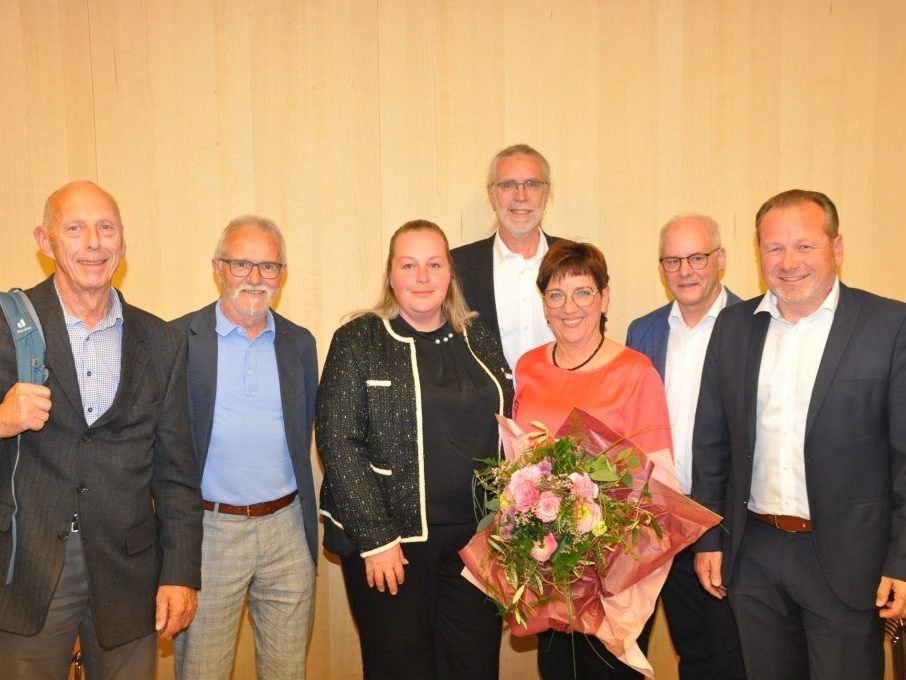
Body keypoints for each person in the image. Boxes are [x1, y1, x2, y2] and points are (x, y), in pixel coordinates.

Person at [692, 189, 906, 679]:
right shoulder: (732, 327)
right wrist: (708, 537)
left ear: (837, 248)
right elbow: (711, 445)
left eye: (804, 246)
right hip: (754, 554)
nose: (789, 262)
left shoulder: (890, 326)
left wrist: (903, 560)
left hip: (851, 559)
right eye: (774, 248)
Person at [0, 180, 202, 678]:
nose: (93, 243)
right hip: (28, 567)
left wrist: (180, 573)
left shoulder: (163, 341)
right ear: (45, 242)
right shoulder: (7, 326)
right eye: (75, 229)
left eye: (106, 228)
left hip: (129, 571)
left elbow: (176, 472)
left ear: (122, 241)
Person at [316, 219, 513, 680]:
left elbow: (507, 426)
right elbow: (338, 441)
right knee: (400, 667)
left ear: (450, 273)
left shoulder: (478, 335)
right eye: (408, 265)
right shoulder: (359, 339)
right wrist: (376, 539)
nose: (422, 278)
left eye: (434, 265)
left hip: (476, 542)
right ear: (391, 274)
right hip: (393, 544)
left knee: (473, 665)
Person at [513, 239, 672, 679]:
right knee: (557, 670)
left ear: (605, 297)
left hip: (615, 569)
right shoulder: (528, 367)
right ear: (544, 303)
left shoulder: (635, 372)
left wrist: (602, 551)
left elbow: (659, 481)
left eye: (583, 292)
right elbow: (517, 461)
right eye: (556, 294)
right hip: (548, 563)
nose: (569, 307)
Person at [171, 216, 318, 679]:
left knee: (287, 670)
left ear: (282, 274)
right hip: (210, 533)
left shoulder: (300, 343)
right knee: (203, 670)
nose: (255, 278)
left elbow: (304, 430)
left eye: (268, 266)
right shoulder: (177, 340)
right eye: (241, 264)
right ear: (218, 268)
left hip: (287, 529)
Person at [626, 215, 745, 679]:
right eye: (672, 260)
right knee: (690, 651)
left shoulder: (753, 324)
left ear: (721, 259)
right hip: (663, 521)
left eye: (697, 257)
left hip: (729, 522)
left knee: (730, 656)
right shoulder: (644, 332)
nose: (685, 270)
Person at [452, 143, 558, 369]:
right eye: (508, 185)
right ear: (492, 195)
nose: (521, 196)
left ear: (546, 193)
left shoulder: (579, 262)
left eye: (531, 184)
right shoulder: (456, 268)